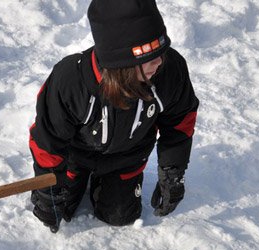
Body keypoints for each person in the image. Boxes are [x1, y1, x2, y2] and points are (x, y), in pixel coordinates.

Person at [29, 0, 199, 232]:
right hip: (76, 155)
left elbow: (180, 123)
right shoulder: (71, 80)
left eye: (162, 51)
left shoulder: (169, 70)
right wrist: (47, 191)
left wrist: (173, 171)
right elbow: (47, 139)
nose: (159, 61)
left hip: (128, 156)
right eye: (149, 57)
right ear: (122, 63)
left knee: (120, 216)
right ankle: (77, 177)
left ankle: (106, 183)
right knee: (63, 209)